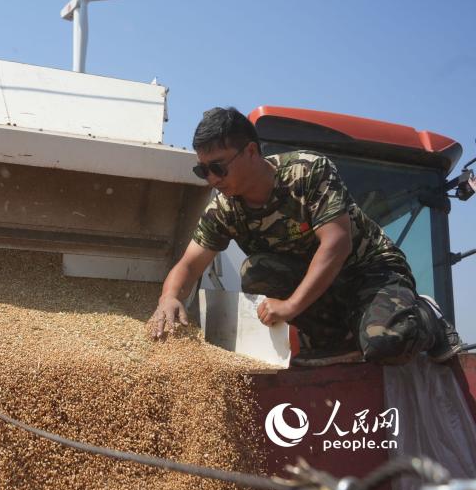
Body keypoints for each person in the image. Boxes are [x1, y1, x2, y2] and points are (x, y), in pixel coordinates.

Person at [150, 107, 462, 365]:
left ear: (250, 151)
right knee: (258, 271)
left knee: (386, 344)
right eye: (202, 171)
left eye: (217, 167)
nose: (212, 179)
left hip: (370, 273)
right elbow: (190, 265)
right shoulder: (226, 208)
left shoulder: (308, 172)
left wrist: (290, 307)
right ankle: (335, 339)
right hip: (321, 288)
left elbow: (337, 243)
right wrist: (169, 297)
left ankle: (425, 316)